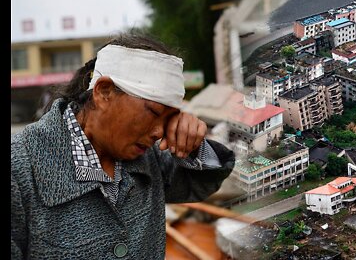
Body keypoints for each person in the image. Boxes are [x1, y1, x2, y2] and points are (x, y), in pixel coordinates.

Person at [11, 31, 235, 259]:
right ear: (104, 92)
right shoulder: (19, 171)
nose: (159, 132)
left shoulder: (149, 157)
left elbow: (199, 184)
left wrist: (192, 145)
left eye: (169, 118)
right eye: (154, 113)